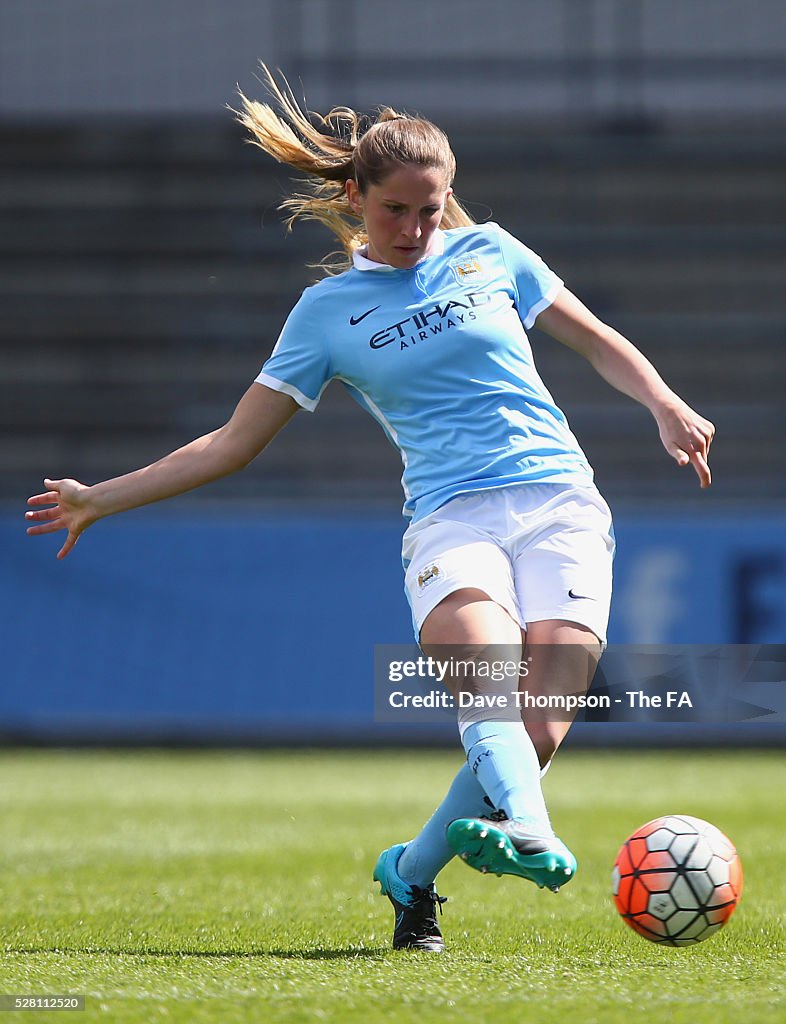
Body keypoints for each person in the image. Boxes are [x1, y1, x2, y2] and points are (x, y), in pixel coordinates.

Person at [25, 67, 714, 954]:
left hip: (563, 504)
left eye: (431, 210)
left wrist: (663, 403)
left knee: (538, 729)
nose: (415, 230)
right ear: (355, 197)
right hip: (451, 519)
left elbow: (596, 339)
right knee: (484, 673)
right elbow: (232, 443)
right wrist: (99, 500)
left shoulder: (494, 253)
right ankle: (534, 834)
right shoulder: (326, 314)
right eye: (396, 210)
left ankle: (412, 874)